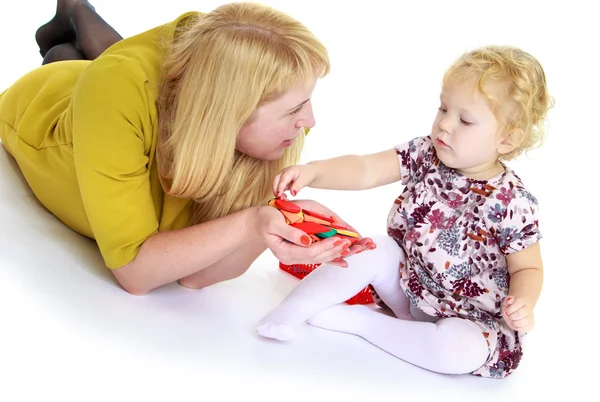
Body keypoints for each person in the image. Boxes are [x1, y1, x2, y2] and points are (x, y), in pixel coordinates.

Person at [0, 0, 375, 296]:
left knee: (125, 74)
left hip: (148, 100)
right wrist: (248, 222)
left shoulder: (279, 125)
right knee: (87, 70)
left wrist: (269, 224)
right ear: (228, 112)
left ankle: (77, 14)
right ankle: (71, 24)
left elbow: (195, 278)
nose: (309, 122)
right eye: (294, 109)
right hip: (49, 115)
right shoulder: (113, 95)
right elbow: (137, 274)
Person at [256, 45, 554, 379]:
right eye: (443, 108)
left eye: (465, 120)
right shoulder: (426, 154)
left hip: (471, 319)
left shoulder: (512, 202)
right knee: (375, 247)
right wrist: (315, 172)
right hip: (408, 285)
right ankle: (291, 311)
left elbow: (527, 265)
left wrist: (524, 302)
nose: (444, 125)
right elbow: (367, 169)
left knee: (459, 353)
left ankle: (363, 324)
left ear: (507, 140)